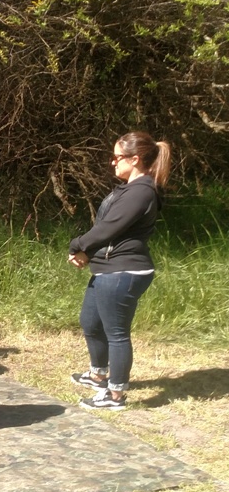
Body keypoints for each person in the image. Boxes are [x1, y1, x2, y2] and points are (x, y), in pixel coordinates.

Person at [68, 132, 171, 411]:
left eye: (117, 157)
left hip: (124, 272)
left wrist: (78, 245)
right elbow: (115, 232)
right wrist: (89, 253)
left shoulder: (141, 191)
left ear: (135, 159)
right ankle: (98, 374)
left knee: (116, 333)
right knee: (90, 322)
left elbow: (109, 228)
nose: (112, 163)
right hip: (108, 268)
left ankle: (116, 395)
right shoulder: (130, 188)